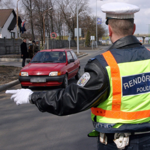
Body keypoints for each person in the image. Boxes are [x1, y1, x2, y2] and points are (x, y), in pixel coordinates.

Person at [6, 2, 150, 149]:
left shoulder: (104, 65)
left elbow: (71, 99)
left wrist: (32, 96)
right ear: (134, 28)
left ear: (109, 30)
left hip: (119, 144)